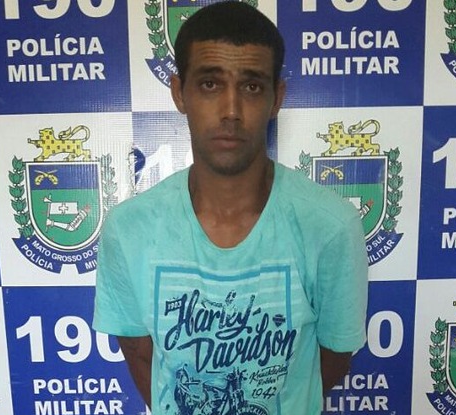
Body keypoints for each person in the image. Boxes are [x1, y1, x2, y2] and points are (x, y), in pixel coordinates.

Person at [92, 2, 368, 414]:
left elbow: (332, 361)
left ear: (277, 98)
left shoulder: (330, 226)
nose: (231, 111)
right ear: (179, 92)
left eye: (252, 87)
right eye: (210, 84)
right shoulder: (129, 228)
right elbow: (139, 354)